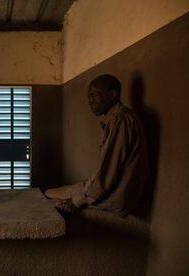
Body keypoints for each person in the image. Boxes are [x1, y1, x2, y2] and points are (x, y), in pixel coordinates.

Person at [45, 74, 149, 217]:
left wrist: (77, 201)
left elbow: (107, 174)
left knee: (54, 198)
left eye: (94, 96)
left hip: (116, 196)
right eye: (89, 97)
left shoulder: (121, 120)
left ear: (112, 94)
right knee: (49, 192)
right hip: (106, 186)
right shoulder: (115, 119)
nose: (90, 101)